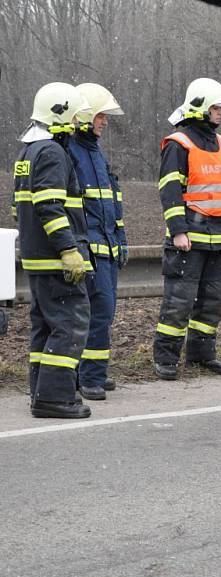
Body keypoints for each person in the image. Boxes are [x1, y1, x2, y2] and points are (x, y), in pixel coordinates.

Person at [152, 77, 221, 380]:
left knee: (212, 302)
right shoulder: (178, 144)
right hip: (189, 240)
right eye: (217, 108)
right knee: (179, 302)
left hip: (219, 238)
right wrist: (178, 230)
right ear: (200, 108)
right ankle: (165, 357)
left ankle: (201, 354)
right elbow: (169, 191)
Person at [13, 82, 93, 418]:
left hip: (37, 258)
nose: (77, 124)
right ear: (58, 114)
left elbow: (21, 211)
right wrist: (68, 249)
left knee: (45, 326)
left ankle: (41, 390)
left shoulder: (28, 152)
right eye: (74, 117)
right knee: (70, 323)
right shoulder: (51, 153)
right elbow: (50, 207)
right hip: (55, 259)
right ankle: (55, 398)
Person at [68, 83, 126, 401]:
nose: (104, 121)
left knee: (104, 311)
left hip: (105, 247)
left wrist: (120, 238)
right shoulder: (70, 151)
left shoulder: (95, 152)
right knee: (98, 311)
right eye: (101, 115)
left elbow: (111, 203)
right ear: (87, 115)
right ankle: (89, 376)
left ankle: (92, 373)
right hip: (89, 248)